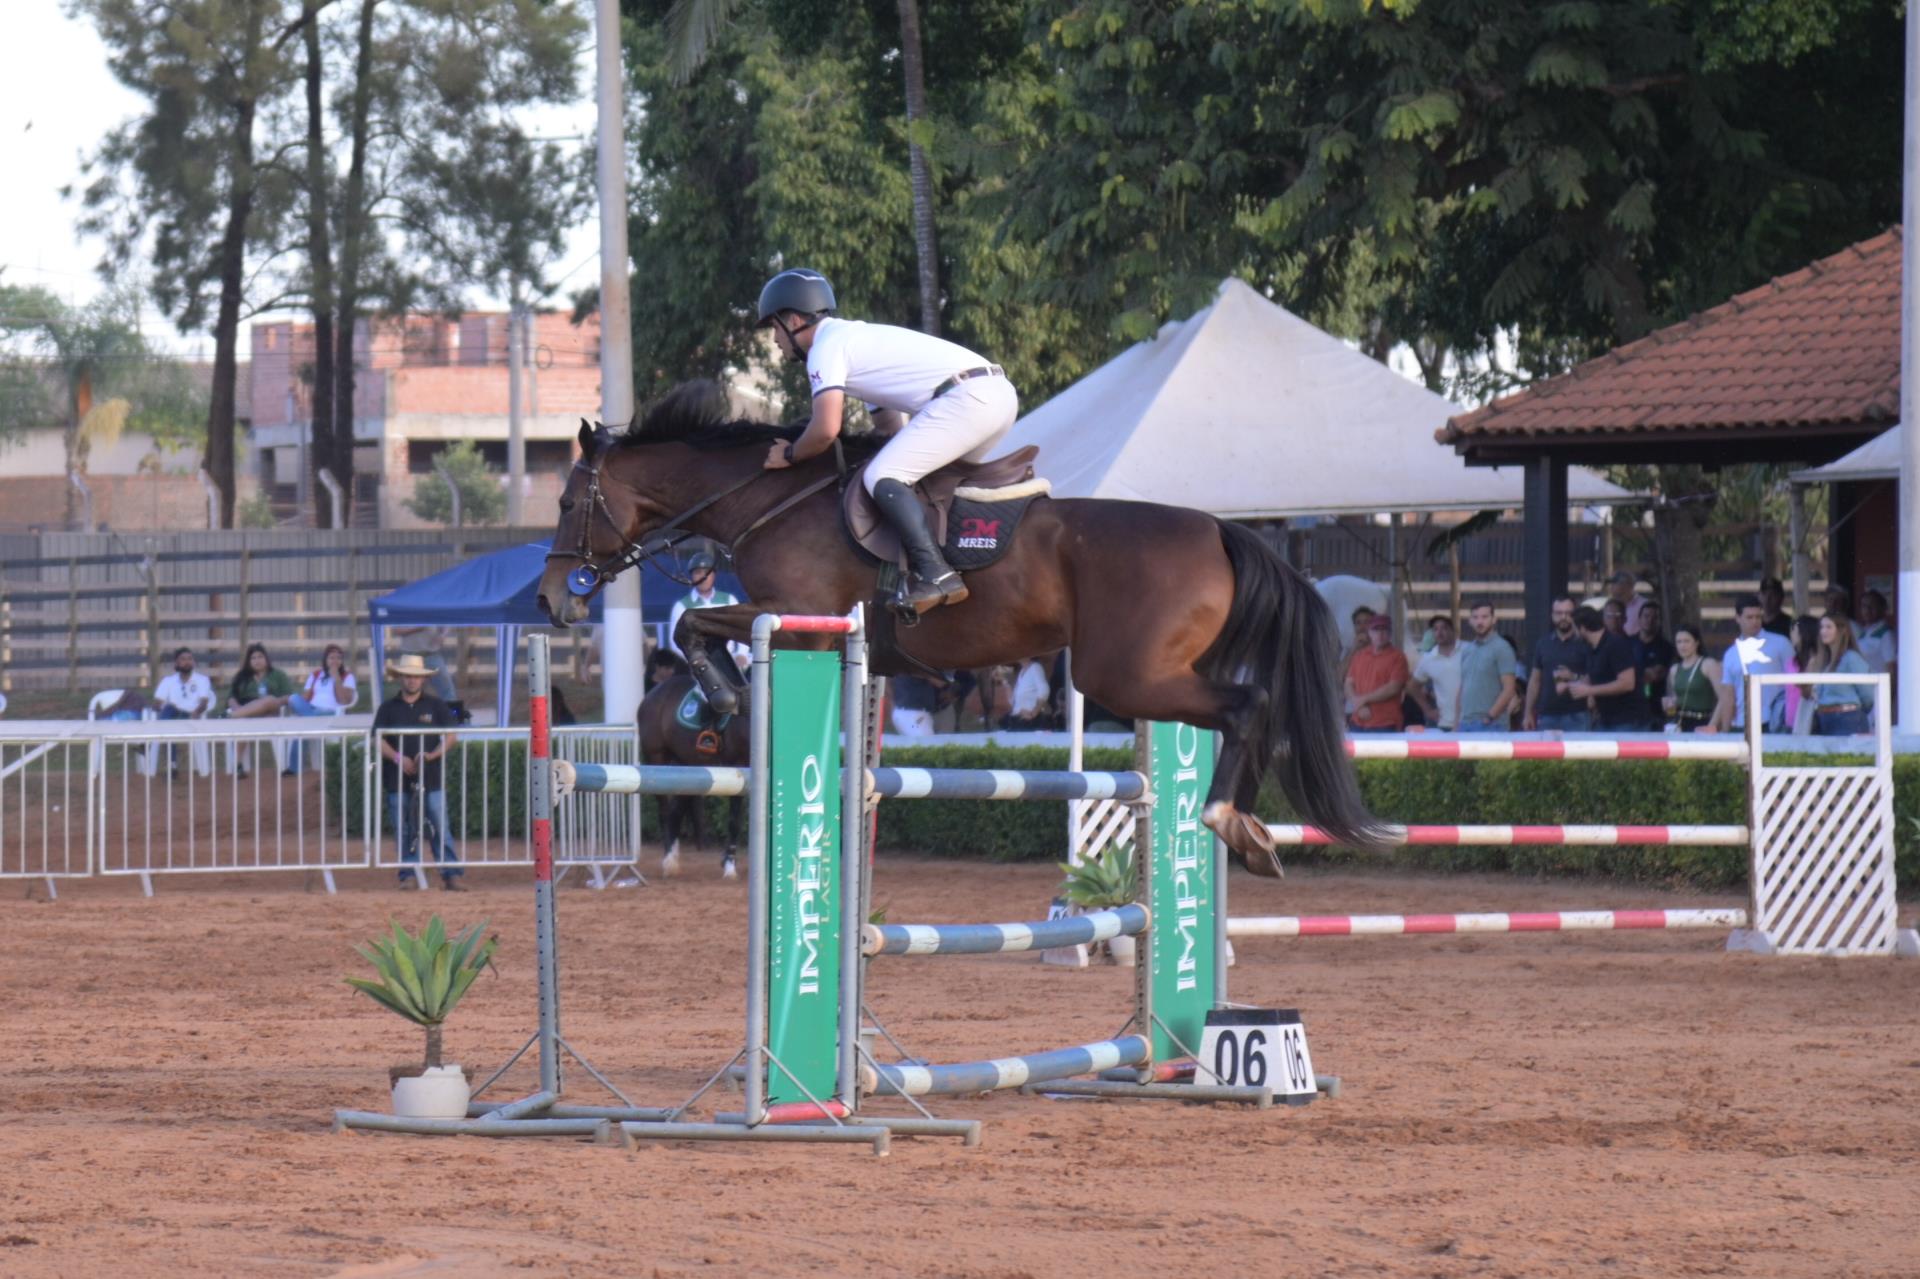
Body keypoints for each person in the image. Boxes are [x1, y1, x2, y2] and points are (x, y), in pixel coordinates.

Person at [756, 268, 1019, 615]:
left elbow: (825, 429)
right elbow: (889, 427)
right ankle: (960, 565)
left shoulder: (825, 349)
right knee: (923, 484)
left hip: (967, 400)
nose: (775, 339)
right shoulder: (853, 343)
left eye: (775, 327)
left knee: (881, 476)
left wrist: (789, 454)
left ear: (793, 320)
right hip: (995, 396)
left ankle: (937, 575)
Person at [372, 653, 464, 890]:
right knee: (404, 827)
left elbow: (451, 736)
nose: (412, 681)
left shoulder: (436, 705)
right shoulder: (388, 708)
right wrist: (397, 757)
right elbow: (378, 739)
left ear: (422, 680)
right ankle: (408, 874)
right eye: (408, 676)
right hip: (397, 779)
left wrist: (432, 756)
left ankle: (450, 872)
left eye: (415, 677)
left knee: (438, 825)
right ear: (401, 678)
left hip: (432, 777)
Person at [1708, 593, 1795, 733]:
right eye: (1749, 617)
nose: (1755, 621)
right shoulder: (1731, 654)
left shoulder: (1781, 643)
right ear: (1738, 618)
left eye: (1758, 617)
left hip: (1774, 721)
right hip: (1741, 723)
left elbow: (1795, 682)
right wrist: (1725, 731)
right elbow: (1728, 696)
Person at [282, 643, 358, 774]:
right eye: (331, 658)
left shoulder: (347, 676)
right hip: (311, 709)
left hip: (330, 711)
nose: (335, 661)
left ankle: (294, 768)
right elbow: (305, 697)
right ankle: (310, 721)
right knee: (293, 698)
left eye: (338, 658)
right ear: (325, 660)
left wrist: (337, 679)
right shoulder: (316, 674)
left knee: (304, 724)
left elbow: (344, 701)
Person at [1563, 605, 1639, 730]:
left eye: (1574, 628)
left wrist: (1589, 690)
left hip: (1627, 720)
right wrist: (1570, 683)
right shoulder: (1590, 648)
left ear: (1582, 628)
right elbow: (1592, 677)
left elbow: (1627, 683)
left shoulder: (1616, 644)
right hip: (1605, 719)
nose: (1572, 632)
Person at [665, 551, 745, 669]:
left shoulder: (729, 600)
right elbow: (675, 642)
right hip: (699, 668)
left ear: (714, 575)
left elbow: (742, 629)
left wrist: (742, 654)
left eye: (707, 573)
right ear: (692, 576)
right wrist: (696, 661)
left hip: (730, 663)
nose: (703, 577)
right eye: (698, 573)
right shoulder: (682, 606)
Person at [1524, 596, 1591, 732]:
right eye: (1559, 613)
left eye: (1568, 613)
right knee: (1547, 754)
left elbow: (1595, 678)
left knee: (1579, 754)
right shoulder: (1543, 643)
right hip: (1547, 715)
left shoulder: (1586, 643)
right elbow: (1535, 680)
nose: (1564, 617)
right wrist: (1527, 713)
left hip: (1578, 714)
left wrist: (1573, 677)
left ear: (1575, 615)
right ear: (1552, 615)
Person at [1808, 614, 1875, 736]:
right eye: (1822, 627)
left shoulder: (1851, 658)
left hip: (1848, 719)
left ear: (1841, 630)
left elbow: (1868, 695)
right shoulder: (1825, 662)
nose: (1823, 631)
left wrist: (1854, 709)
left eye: (1829, 627)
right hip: (1825, 720)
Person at [1455, 602, 1519, 732]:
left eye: (1484, 617)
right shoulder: (1467, 649)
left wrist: (1490, 717)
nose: (1480, 621)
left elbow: (1509, 689)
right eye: (1476, 617)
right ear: (1469, 621)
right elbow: (1463, 688)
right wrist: (1456, 722)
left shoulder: (1502, 648)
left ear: (1494, 619)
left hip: (1492, 725)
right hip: (1465, 723)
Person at [149, 646, 213, 774]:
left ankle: (152, 748)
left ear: (194, 662)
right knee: (168, 714)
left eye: (190, 659)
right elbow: (158, 703)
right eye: (183, 659)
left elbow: (204, 703)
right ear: (177, 663)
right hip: (171, 714)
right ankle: (172, 765)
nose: (187, 662)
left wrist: (196, 712)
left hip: (191, 715)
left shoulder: (202, 680)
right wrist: (158, 706)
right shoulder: (168, 681)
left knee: (165, 723)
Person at [1346, 615, 1410, 732]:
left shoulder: (1398, 657)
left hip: (1385, 722)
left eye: (1384, 630)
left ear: (1390, 633)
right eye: (1376, 630)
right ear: (1369, 633)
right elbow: (1348, 683)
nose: (1380, 634)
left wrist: (1362, 700)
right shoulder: (1360, 655)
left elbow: (1393, 688)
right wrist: (1358, 703)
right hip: (1357, 721)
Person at [1663, 624, 1722, 733]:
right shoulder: (1674, 669)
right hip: (1679, 723)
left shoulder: (1708, 664)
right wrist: (1669, 703)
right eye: (1679, 642)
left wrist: (1712, 725)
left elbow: (1723, 698)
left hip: (1702, 721)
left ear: (1696, 643)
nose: (1682, 646)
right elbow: (1677, 698)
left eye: (1686, 641)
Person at [1629, 601, 1677, 730]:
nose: (1649, 620)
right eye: (1646, 616)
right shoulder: (1627, 643)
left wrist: (1631, 674)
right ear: (1639, 619)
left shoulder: (1665, 647)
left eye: (1654, 617)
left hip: (1655, 707)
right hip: (1629, 708)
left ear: (1659, 621)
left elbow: (1654, 674)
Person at [1411, 614, 1463, 731]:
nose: (1439, 632)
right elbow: (1412, 686)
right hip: (1444, 723)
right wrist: (1428, 710)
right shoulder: (1428, 659)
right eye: (1435, 629)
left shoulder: (1468, 650)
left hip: (1471, 722)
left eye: (1444, 628)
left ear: (1453, 631)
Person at [1784, 615, 1823, 734]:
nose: (1791, 634)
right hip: (1791, 718)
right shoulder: (1792, 661)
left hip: (1810, 717)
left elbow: (1809, 690)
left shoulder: (1818, 659)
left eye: (1794, 631)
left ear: (1804, 633)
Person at [1001, 657, 1053, 731]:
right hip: (1017, 720)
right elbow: (1013, 701)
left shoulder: (1035, 668)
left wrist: (1034, 712)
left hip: (1030, 721)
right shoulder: (1021, 672)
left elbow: (1044, 690)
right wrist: (1005, 682)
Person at [1856, 589, 1896, 675]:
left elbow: (1891, 667)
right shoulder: (1863, 634)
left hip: (1878, 686)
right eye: (1864, 606)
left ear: (1882, 608)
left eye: (1872, 606)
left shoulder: (1886, 634)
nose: (1867, 610)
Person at [1604, 570, 1647, 635]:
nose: (1611, 587)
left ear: (1626, 585)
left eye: (1614, 583)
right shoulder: (1611, 606)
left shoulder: (1644, 606)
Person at [1758, 576, 1794, 640]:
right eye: (1764, 594)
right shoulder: (1755, 623)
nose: (1767, 599)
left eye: (1772, 594)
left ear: (1781, 597)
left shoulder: (1789, 625)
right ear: (1759, 596)